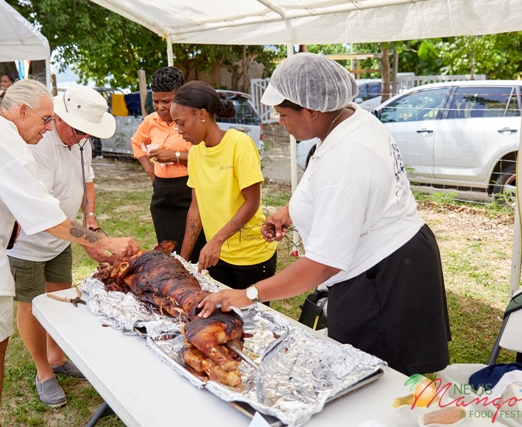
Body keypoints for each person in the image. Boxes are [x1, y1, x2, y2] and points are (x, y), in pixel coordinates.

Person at [198, 53, 451, 376]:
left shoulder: (347, 158)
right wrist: (291, 211)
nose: (280, 121)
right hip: (394, 257)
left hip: (384, 278)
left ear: (313, 109)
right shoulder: (348, 118)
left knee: (376, 380)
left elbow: (323, 264)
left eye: (284, 114)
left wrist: (249, 293)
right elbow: (334, 188)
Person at [0, 79, 139, 427]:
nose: (48, 127)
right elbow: (45, 216)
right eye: (46, 119)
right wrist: (104, 242)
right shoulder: (7, 142)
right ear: (22, 111)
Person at [7, 84, 115, 407]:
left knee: (60, 294)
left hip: (63, 237)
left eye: (89, 134)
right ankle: (43, 371)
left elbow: (87, 181)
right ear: (60, 117)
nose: (83, 138)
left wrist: (90, 218)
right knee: (30, 304)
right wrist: (92, 241)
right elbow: (42, 212)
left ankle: (56, 356)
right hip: (27, 243)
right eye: (78, 130)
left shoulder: (82, 143)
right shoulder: (37, 143)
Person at [170, 81, 277, 290]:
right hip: (217, 258)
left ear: (202, 114)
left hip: (252, 257)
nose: (178, 130)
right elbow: (196, 208)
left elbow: (252, 202)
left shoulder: (239, 144)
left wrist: (216, 241)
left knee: (251, 320)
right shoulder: (195, 154)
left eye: (181, 123)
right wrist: (182, 261)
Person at [131, 67, 205, 261]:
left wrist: (175, 156)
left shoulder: (191, 121)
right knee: (168, 251)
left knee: (193, 252)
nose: (160, 107)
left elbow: (204, 155)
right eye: (156, 101)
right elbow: (136, 142)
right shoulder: (150, 121)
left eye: (167, 101)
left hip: (189, 191)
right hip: (162, 195)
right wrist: (150, 171)